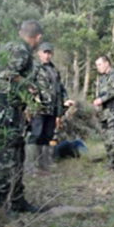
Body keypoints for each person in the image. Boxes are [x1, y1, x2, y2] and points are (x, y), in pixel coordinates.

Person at [0, 19, 43, 212]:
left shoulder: (10, 46)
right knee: (7, 158)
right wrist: (30, 85)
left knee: (17, 156)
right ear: (37, 37)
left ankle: (17, 200)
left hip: (10, 112)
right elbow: (8, 73)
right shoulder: (20, 50)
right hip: (6, 113)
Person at [29, 41, 74, 172]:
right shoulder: (34, 68)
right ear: (39, 53)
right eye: (45, 52)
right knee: (36, 134)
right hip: (38, 109)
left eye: (49, 53)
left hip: (52, 109)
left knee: (48, 135)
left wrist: (65, 101)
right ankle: (32, 165)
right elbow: (26, 84)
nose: (47, 56)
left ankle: (44, 164)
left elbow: (60, 88)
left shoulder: (54, 70)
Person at [93, 55, 114, 173]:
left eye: (99, 64)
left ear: (107, 63)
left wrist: (102, 100)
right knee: (106, 137)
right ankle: (111, 162)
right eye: (97, 65)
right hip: (104, 112)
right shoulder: (103, 79)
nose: (98, 67)